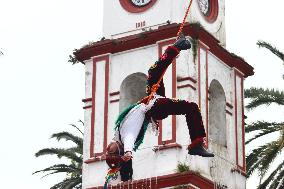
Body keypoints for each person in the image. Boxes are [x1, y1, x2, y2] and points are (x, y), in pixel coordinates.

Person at [106, 35, 214, 182]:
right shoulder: (126, 136)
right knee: (191, 107)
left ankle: (176, 47)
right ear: (119, 149)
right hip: (154, 106)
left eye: (108, 152)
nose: (108, 149)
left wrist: (123, 162)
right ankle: (196, 143)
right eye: (111, 152)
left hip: (152, 98)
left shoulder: (117, 132)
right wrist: (128, 152)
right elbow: (130, 139)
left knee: (153, 73)